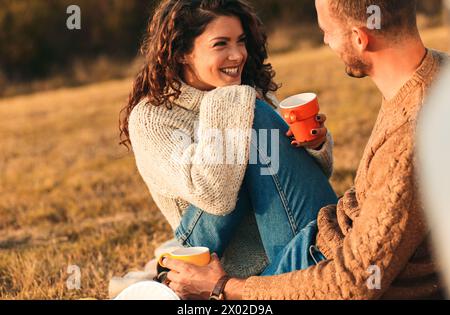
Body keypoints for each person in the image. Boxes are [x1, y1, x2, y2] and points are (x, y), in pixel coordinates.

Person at [162, 0, 449, 300]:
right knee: (254, 117)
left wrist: (222, 286)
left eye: (327, 31)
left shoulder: (409, 143)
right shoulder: (435, 72)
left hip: (322, 268)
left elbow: (353, 283)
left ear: (360, 38)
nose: (325, 40)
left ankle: (176, 268)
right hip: (330, 232)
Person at [119, 0, 338, 281]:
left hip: (284, 235)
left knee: (255, 123)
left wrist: (314, 146)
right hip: (224, 260)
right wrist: (230, 101)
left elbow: (297, 187)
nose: (237, 55)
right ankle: (324, 254)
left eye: (241, 41)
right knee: (253, 119)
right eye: (221, 44)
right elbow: (214, 195)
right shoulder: (153, 119)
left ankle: (328, 247)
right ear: (183, 52)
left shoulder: (247, 94)